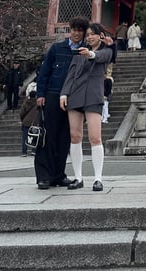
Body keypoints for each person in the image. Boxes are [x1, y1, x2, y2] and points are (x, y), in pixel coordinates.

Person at [35, 16, 89, 190]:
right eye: (74, 29)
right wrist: (40, 94)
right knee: (49, 136)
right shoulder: (57, 49)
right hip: (53, 94)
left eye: (80, 30)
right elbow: (44, 72)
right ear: (70, 30)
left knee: (66, 137)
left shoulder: (86, 51)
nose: (76, 33)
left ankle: (59, 174)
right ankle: (44, 176)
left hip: (75, 98)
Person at [60, 22, 114, 192]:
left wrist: (90, 53)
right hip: (75, 94)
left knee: (95, 137)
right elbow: (71, 74)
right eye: (88, 34)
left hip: (93, 95)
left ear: (100, 35)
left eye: (93, 34)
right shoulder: (78, 53)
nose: (89, 36)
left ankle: (98, 178)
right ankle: (78, 177)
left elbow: (100, 57)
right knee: (75, 136)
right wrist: (64, 93)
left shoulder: (106, 51)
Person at [19, 90, 38, 156]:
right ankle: (33, 151)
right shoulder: (37, 103)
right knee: (34, 137)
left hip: (26, 122)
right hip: (34, 122)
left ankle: (24, 152)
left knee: (25, 137)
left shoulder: (25, 103)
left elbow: (21, 113)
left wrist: (22, 119)